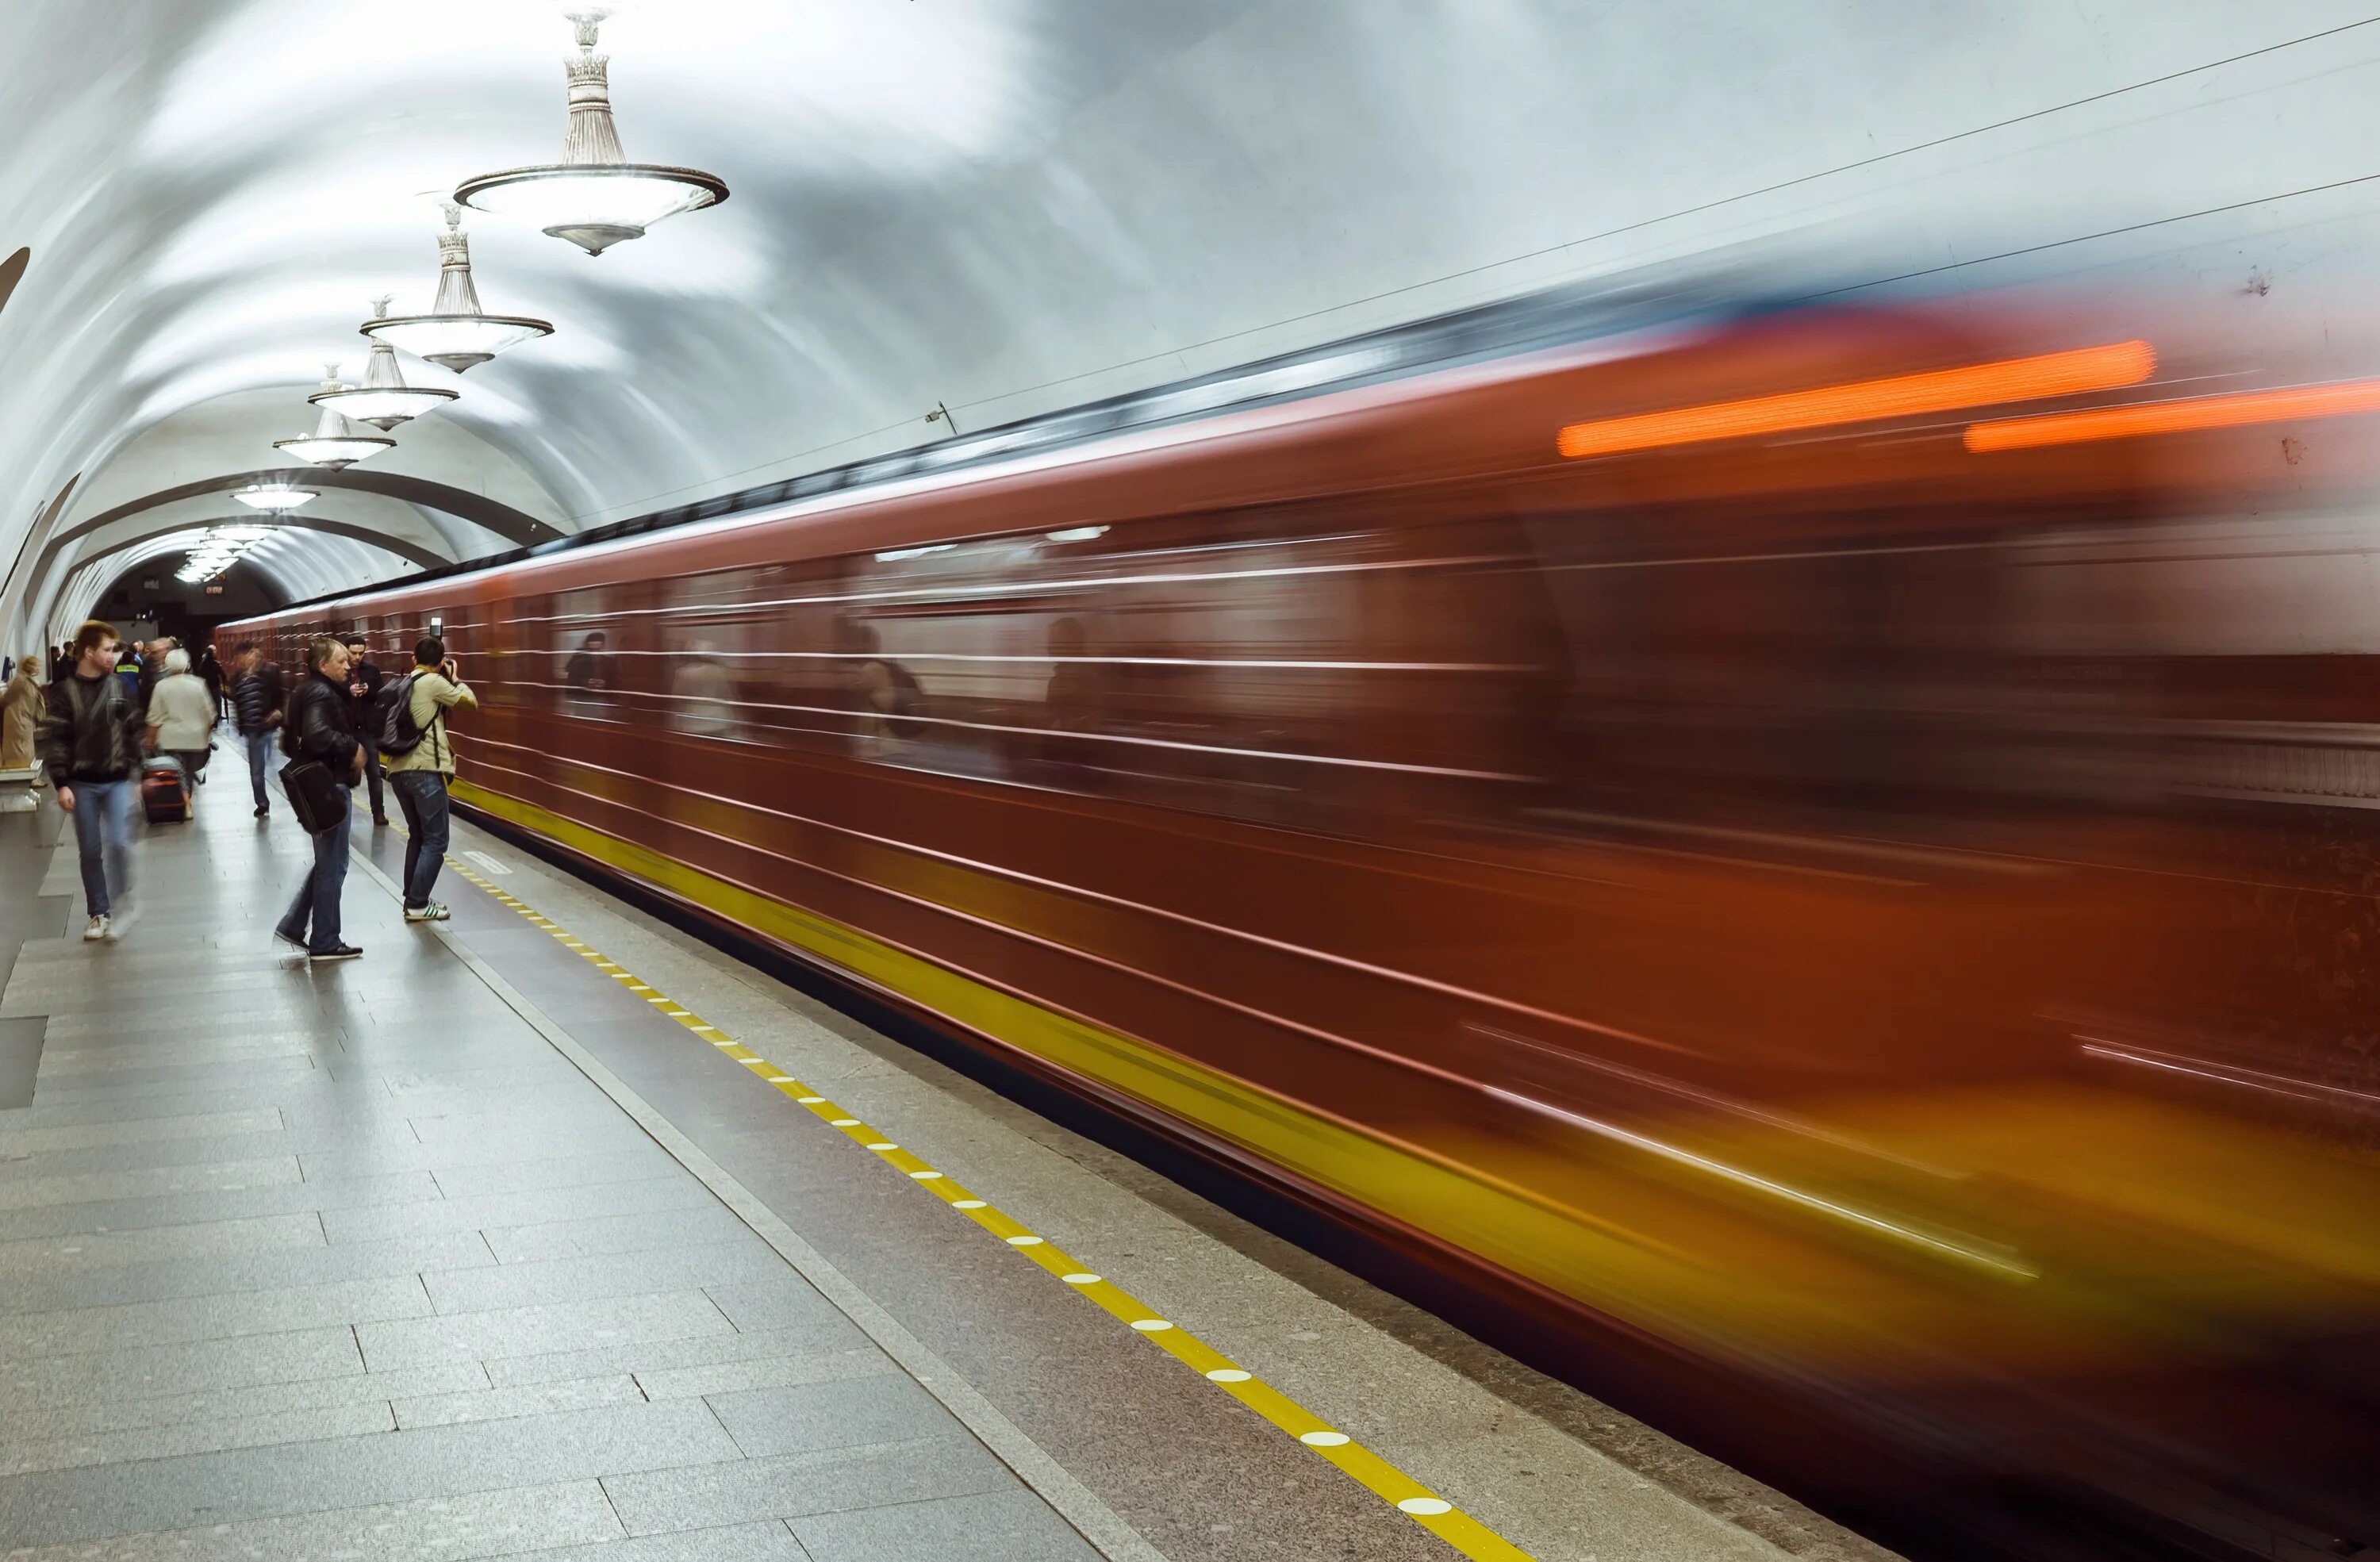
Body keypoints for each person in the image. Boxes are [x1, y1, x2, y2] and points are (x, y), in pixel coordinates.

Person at [39, 621, 148, 942]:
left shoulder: (120, 688)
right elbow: (56, 739)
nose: (114, 655)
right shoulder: (62, 693)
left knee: (118, 842)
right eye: (108, 649)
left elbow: (134, 731)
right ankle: (98, 913)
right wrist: (61, 783)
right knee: (90, 850)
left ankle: (123, 899)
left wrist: (137, 773)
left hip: (116, 781)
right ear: (89, 651)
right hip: (81, 783)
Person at [273, 635, 366, 961]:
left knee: (328, 863)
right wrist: (351, 747)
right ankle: (325, 940)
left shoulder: (306, 691)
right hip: (330, 786)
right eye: (341, 660)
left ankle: (295, 925)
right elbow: (316, 734)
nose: (348, 665)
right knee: (333, 866)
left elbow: (290, 741)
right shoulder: (321, 692)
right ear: (322, 665)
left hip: (321, 785)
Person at [383, 635, 477, 922]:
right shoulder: (434, 682)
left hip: (398, 769)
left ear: (413, 659)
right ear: (440, 662)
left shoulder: (401, 683)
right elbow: (471, 704)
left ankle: (412, 896)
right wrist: (456, 678)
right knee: (436, 840)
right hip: (424, 771)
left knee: (418, 835)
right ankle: (417, 903)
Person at [146, 647, 216, 795]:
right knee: (188, 774)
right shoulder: (199, 684)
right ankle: (186, 801)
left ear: (167, 666)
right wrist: (206, 737)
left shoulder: (161, 686)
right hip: (195, 740)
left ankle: (181, 802)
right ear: (187, 665)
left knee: (174, 774)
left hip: (170, 741)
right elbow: (210, 715)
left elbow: (154, 718)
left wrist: (150, 738)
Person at [229, 643, 285, 818]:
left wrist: (278, 711)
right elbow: (237, 703)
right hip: (251, 730)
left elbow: (280, 696)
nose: (238, 661)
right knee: (257, 769)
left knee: (257, 770)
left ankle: (262, 802)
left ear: (250, 656)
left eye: (240, 657)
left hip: (265, 727)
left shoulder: (268, 674)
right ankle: (262, 801)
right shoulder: (236, 679)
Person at [342, 635, 387, 827]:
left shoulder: (372, 671)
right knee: (342, 773)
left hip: (366, 729)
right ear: (346, 651)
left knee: (374, 773)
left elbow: (382, 696)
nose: (357, 657)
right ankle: (342, 813)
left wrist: (368, 691)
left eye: (361, 653)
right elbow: (330, 694)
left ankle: (379, 813)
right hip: (345, 730)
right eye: (354, 653)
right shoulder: (339, 670)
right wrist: (348, 691)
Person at [2, 654, 46, 773]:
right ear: (28, 666)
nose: (37, 668)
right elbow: (7, 698)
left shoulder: (27, 680)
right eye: (34, 665)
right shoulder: (20, 681)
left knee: (26, 747)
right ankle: (21, 773)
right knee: (19, 748)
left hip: (24, 718)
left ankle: (29, 773)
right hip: (17, 720)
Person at [195, 643, 227, 720]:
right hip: (215, 686)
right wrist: (223, 681)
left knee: (208, 701)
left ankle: (208, 716)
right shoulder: (216, 664)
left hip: (205, 686)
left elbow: (199, 673)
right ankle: (218, 715)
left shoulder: (202, 664)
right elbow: (223, 675)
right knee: (218, 701)